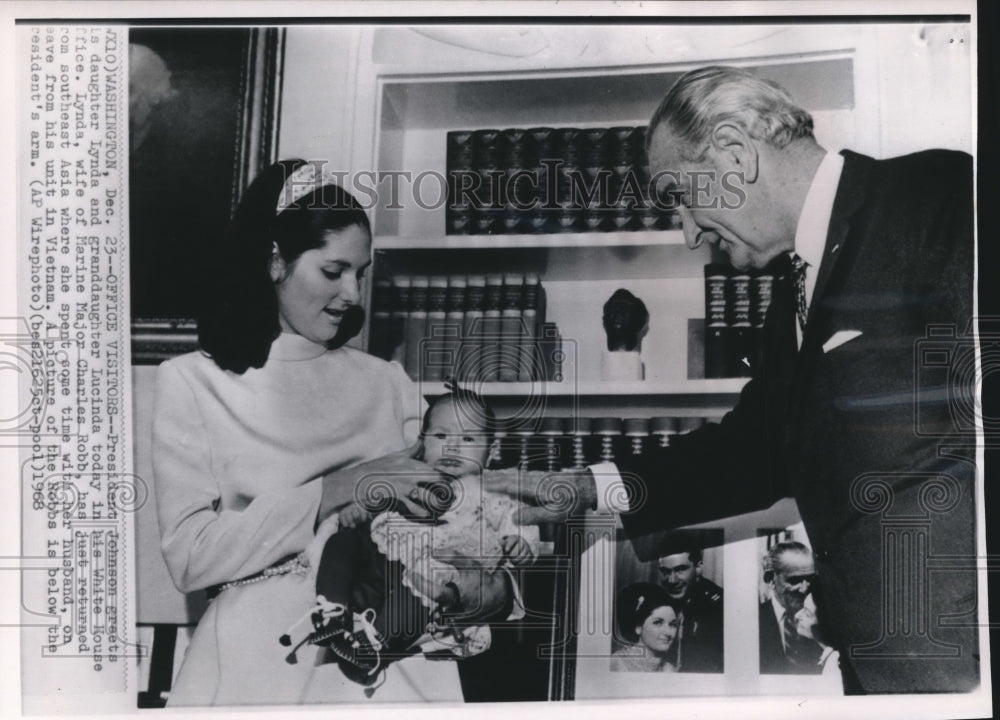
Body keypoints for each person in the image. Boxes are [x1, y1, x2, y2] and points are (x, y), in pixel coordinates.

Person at [486, 65, 977, 694]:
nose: (689, 234)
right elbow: (751, 452)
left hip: (960, 662)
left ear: (735, 153)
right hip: (881, 673)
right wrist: (578, 488)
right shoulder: (787, 299)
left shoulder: (936, 197)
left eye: (680, 197)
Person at [152, 159, 512, 705]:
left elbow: (463, 515)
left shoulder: (388, 382)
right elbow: (191, 559)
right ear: (275, 260)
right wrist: (345, 485)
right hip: (257, 659)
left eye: (361, 273)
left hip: (393, 658)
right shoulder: (190, 382)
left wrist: (489, 586)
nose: (353, 295)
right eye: (333, 271)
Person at [283, 386, 539, 690]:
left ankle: (371, 650)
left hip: (438, 566)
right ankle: (331, 612)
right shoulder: (409, 475)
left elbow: (519, 521)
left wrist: (522, 543)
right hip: (387, 552)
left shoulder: (495, 489)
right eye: (441, 437)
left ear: (491, 449)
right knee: (343, 541)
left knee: (418, 593)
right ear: (422, 443)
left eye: (468, 439)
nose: (453, 447)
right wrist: (359, 509)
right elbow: (379, 499)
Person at [759, 541, 831, 675]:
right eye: (794, 580)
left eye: (810, 579)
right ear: (770, 579)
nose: (804, 589)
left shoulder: (827, 620)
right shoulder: (751, 622)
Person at [656, 543, 723, 673]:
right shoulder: (658, 603)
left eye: (680, 570)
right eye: (665, 571)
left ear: (698, 567)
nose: (672, 580)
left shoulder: (718, 606)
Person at [611, 583, 680, 673]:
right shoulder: (616, 664)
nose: (668, 632)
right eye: (658, 623)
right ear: (638, 627)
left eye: (672, 624)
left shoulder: (670, 670)